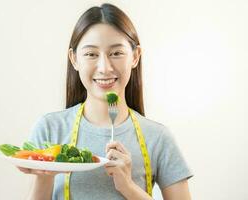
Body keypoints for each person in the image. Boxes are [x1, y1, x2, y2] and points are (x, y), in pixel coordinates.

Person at [18, 3, 193, 200]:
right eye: (91, 54)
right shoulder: (50, 129)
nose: (104, 67)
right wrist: (44, 175)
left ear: (135, 57)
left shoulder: (158, 137)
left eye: (116, 53)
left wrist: (128, 187)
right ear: (74, 59)